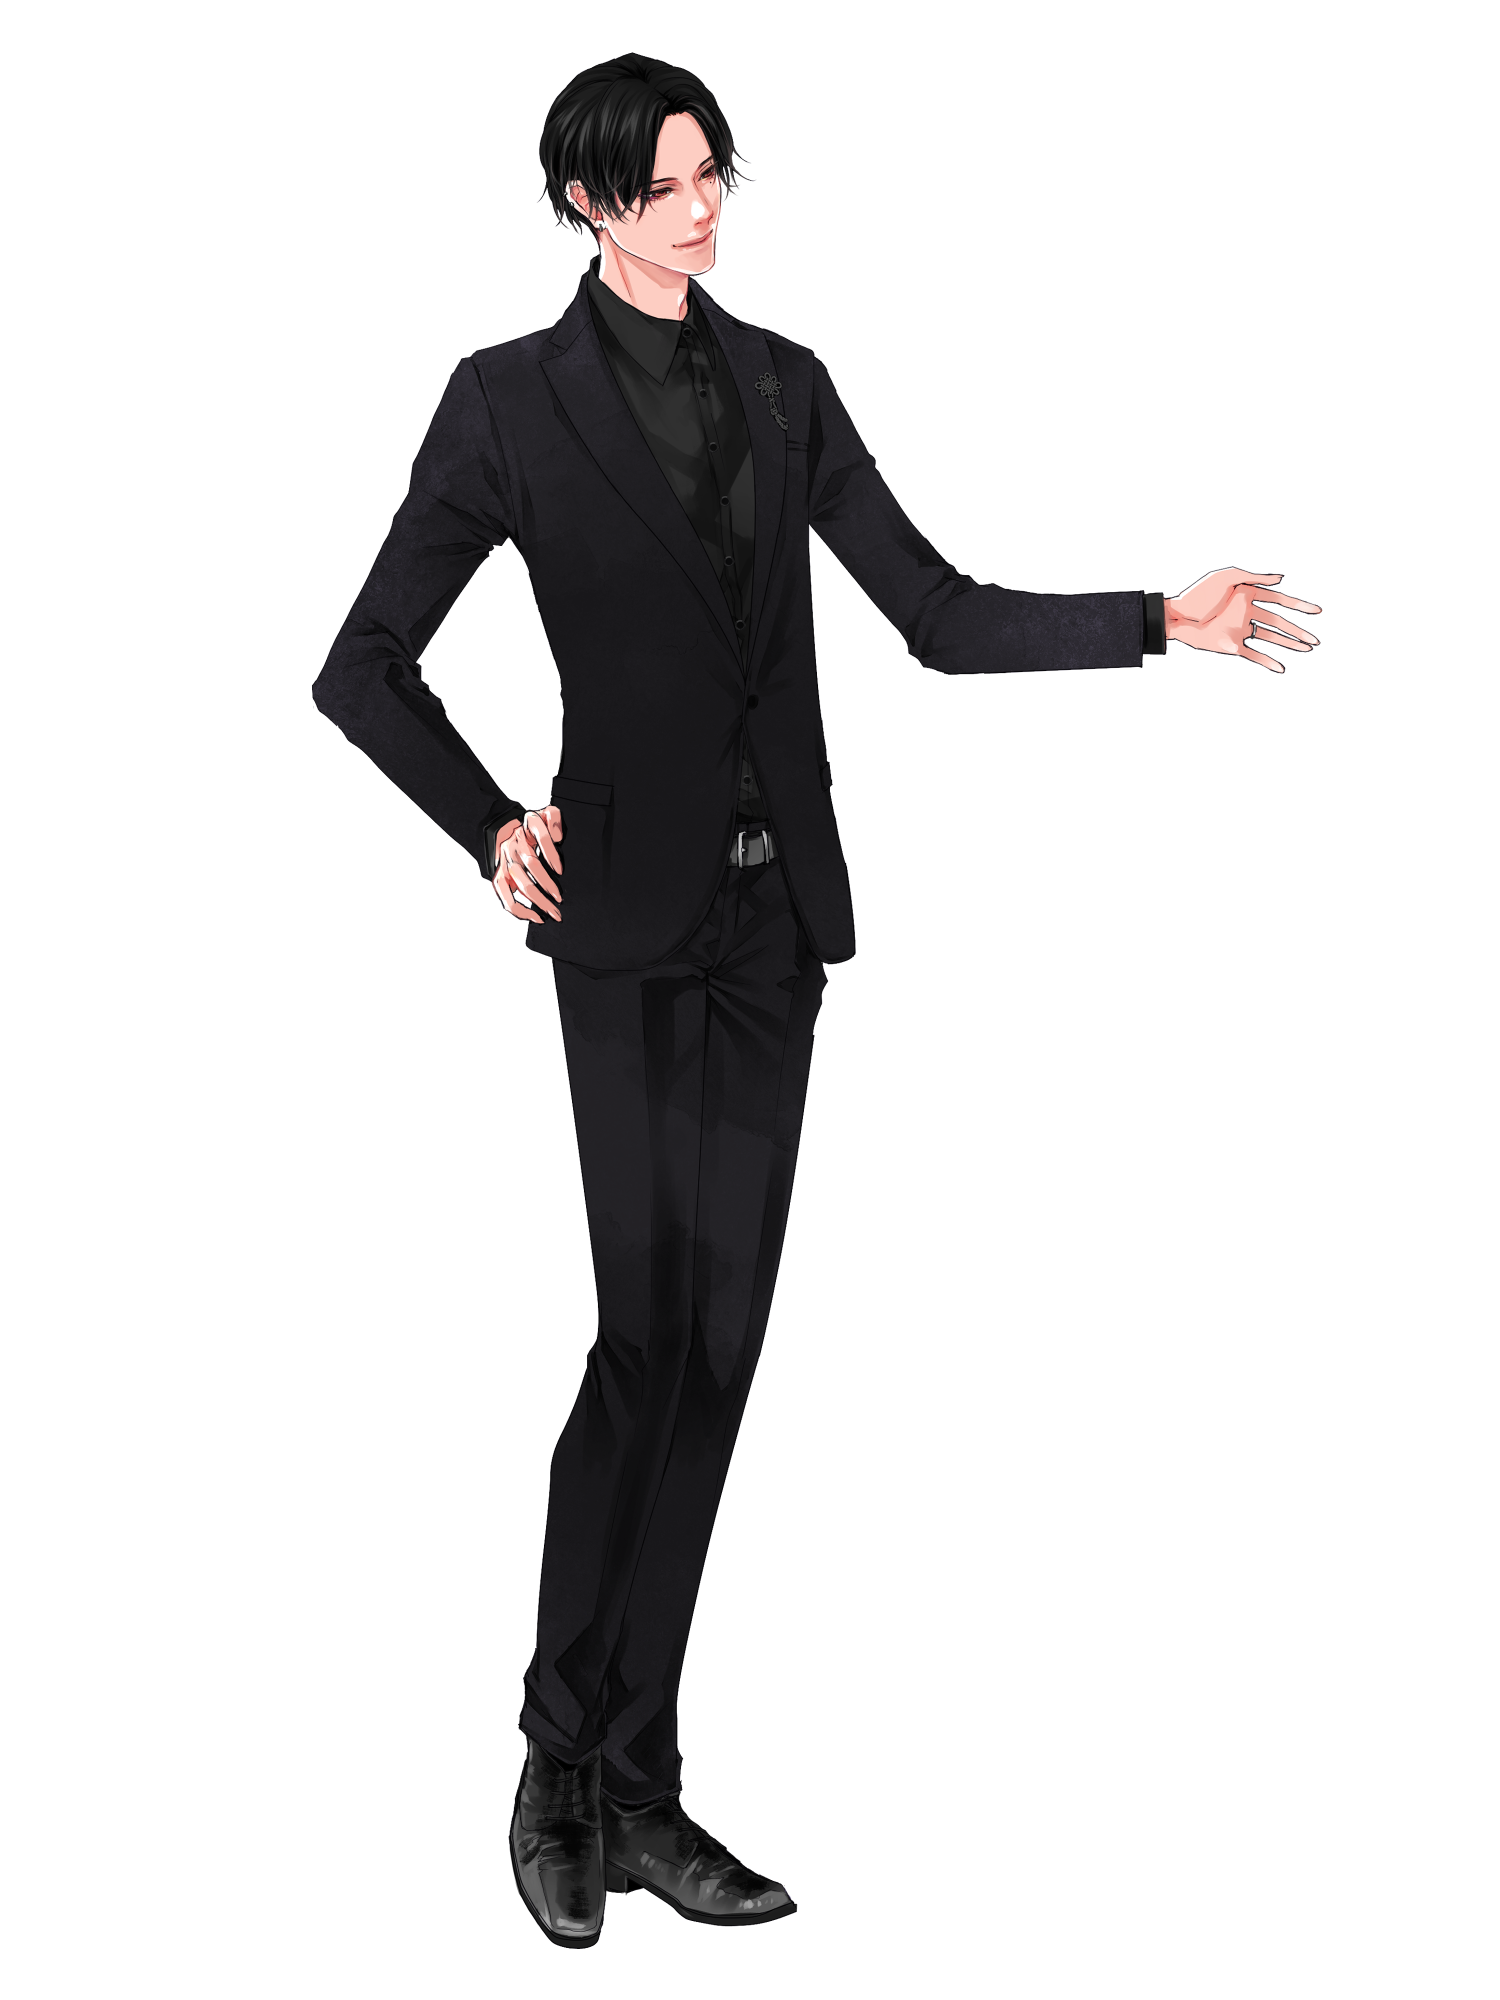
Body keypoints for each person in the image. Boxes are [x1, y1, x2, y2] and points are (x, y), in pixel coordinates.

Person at [311, 51, 1322, 1950]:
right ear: (589, 204)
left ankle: (643, 1789)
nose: (707, 210)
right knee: (641, 1345)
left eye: (719, 175)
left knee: (720, 1358)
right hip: (623, 935)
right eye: (669, 185)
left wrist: (1154, 623)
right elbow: (361, 665)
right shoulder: (506, 404)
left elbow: (933, 615)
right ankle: (556, 1765)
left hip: (775, 942)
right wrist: (488, 826)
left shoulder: (787, 386)